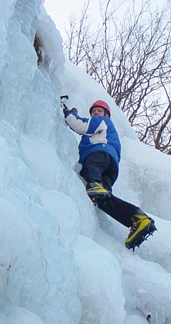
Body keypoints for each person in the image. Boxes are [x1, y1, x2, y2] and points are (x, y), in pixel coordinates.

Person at [62, 98, 156, 250]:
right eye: (93, 111)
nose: (96, 113)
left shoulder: (101, 122)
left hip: (99, 154)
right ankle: (137, 218)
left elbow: (82, 126)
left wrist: (69, 114)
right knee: (102, 199)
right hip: (111, 166)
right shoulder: (109, 132)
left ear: (106, 115)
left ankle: (94, 183)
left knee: (93, 181)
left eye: (99, 111)